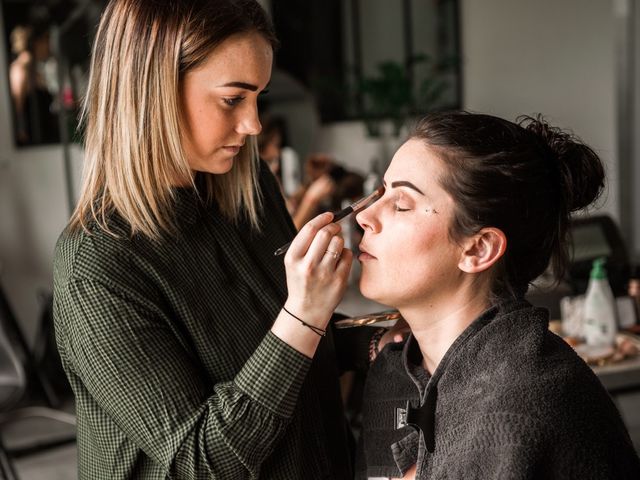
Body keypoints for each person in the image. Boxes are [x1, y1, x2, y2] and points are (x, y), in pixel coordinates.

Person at [53, 1, 376, 478]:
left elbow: (286, 345)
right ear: (151, 92)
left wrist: (381, 339)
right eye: (232, 99)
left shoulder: (251, 189)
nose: (254, 125)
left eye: (259, 98)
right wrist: (305, 312)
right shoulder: (96, 266)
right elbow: (199, 462)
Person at [354, 111, 640, 479]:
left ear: (478, 250)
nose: (364, 216)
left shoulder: (524, 405)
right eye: (379, 193)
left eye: (401, 204)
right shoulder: (393, 377)